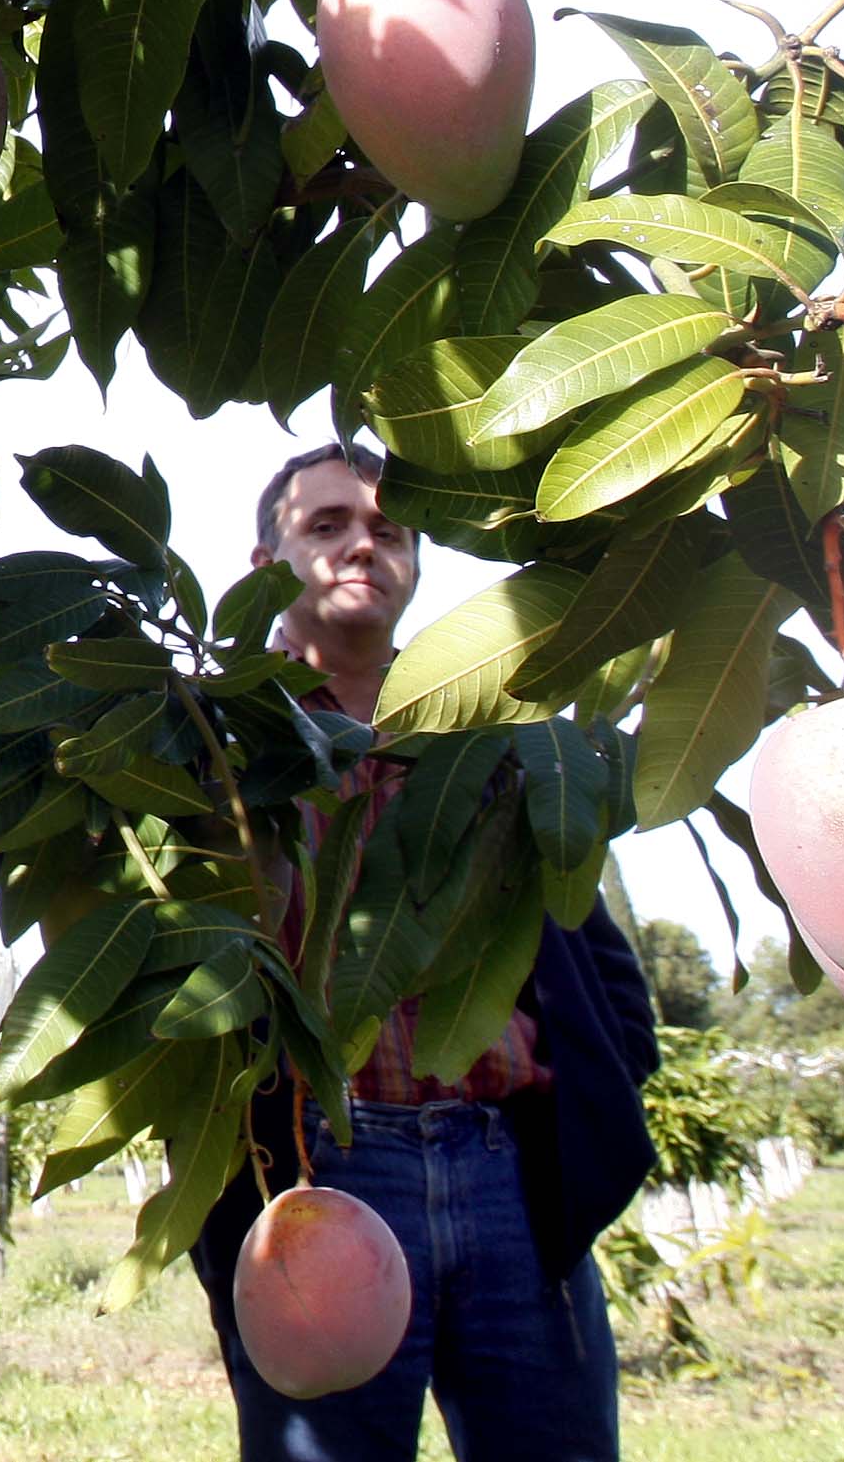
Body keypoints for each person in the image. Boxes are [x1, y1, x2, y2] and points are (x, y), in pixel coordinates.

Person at [190, 441, 659, 1462]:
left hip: (509, 1174)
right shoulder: (214, 735)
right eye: (327, 526)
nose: (364, 543)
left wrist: (602, 1095)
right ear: (266, 559)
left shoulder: (490, 730)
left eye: (388, 529)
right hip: (317, 1175)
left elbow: (591, 942)